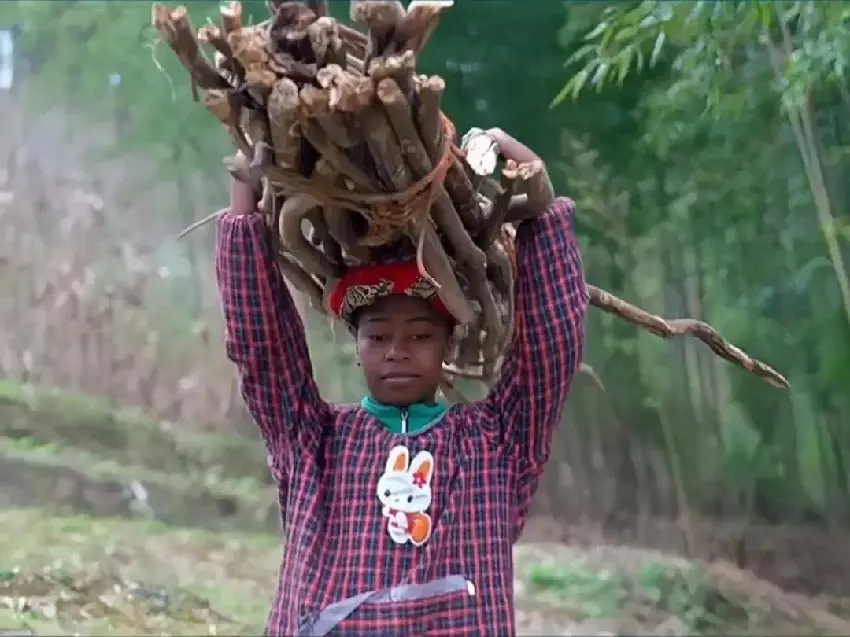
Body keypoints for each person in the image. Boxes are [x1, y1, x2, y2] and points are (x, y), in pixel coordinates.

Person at [215, 128, 589, 636]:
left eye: (419, 335)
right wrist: (243, 213)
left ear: (448, 346)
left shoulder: (494, 445)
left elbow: (551, 352)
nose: (397, 351)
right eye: (378, 336)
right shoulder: (314, 444)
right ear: (357, 347)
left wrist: (540, 203)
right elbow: (261, 349)